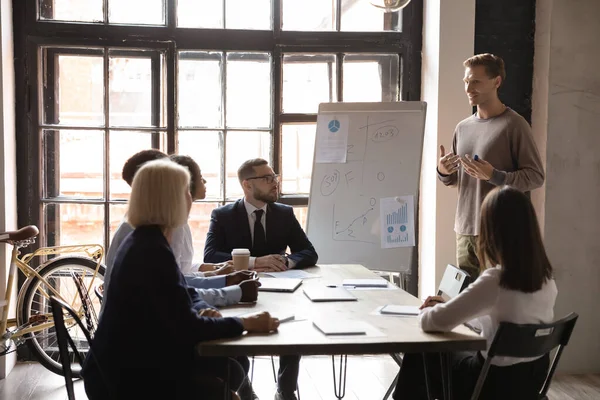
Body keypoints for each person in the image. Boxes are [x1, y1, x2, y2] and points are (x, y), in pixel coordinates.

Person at [82, 159, 280, 400]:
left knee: (232, 366)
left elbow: (184, 290)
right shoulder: (150, 250)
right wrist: (247, 323)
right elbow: (189, 328)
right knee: (226, 380)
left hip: (132, 359)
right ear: (171, 200)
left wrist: (201, 308)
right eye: (186, 191)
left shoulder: (147, 239)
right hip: (126, 378)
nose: (190, 198)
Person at [393, 186, 557, 400]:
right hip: (528, 383)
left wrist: (430, 311)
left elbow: (431, 323)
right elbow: (503, 317)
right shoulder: (547, 279)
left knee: (421, 352)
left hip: (488, 385)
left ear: (492, 234)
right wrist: (457, 309)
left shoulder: (495, 280)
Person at [204, 158, 318, 400]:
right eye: (267, 178)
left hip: (282, 287)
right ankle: (245, 390)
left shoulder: (284, 214)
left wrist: (286, 261)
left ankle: (286, 390)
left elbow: (309, 252)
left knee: (292, 326)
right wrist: (257, 261)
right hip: (239, 290)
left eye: (274, 177)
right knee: (236, 331)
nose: (274, 183)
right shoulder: (223, 215)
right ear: (247, 185)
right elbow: (211, 255)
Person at [103, 149, 254, 310]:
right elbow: (176, 297)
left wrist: (222, 281)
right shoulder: (147, 243)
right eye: (182, 189)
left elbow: (175, 284)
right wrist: (234, 295)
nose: (186, 196)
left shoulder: (145, 231)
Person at [438, 53, 545, 279]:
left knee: (495, 306)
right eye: (466, 82)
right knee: (465, 304)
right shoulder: (463, 128)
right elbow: (459, 181)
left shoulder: (515, 125)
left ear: (496, 82)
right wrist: (444, 173)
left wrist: (495, 176)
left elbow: (535, 177)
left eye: (476, 81)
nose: (469, 88)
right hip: (465, 231)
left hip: (500, 232)